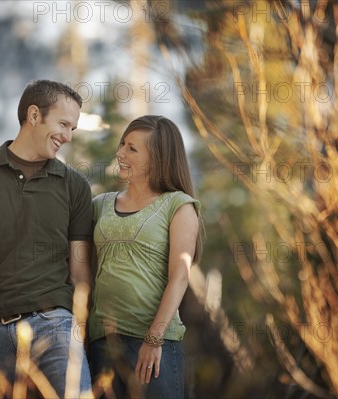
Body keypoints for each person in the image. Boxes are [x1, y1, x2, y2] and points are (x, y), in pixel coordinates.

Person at [0, 80, 93, 398]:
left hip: (55, 327)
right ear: (34, 114)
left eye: (73, 129)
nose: (67, 136)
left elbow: (79, 273)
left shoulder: (75, 186)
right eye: (63, 124)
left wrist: (80, 336)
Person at [88, 115, 203, 398]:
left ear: (157, 159)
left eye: (132, 149)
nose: (120, 153)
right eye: (122, 144)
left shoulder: (178, 205)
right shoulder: (99, 205)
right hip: (102, 342)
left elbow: (180, 276)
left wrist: (154, 338)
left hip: (154, 344)